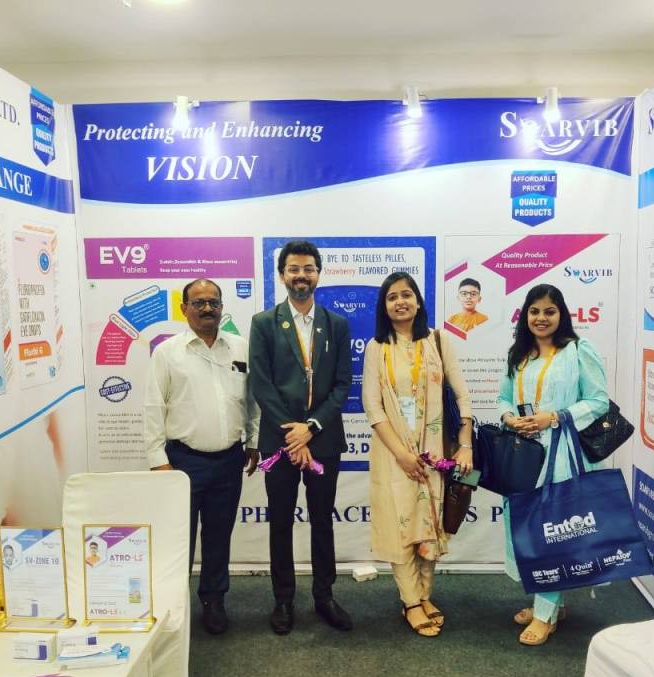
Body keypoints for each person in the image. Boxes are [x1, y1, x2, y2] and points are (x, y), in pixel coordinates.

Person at [144, 278, 261, 635]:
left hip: (229, 459)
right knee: (179, 539)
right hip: (182, 462)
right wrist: (158, 461)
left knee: (218, 536)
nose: (207, 308)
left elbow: (251, 400)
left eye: (214, 302)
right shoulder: (167, 353)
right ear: (184, 309)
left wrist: (253, 441)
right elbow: (153, 406)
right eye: (199, 303)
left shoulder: (240, 348)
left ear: (222, 307)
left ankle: (213, 600)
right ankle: (172, 604)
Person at [249, 240, 353, 635]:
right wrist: (293, 434)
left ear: (318, 274)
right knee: (280, 522)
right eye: (294, 269)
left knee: (322, 521)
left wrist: (310, 428)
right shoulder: (264, 323)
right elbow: (261, 385)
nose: (301, 276)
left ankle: (324, 596)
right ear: (282, 276)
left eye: (308, 269)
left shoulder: (336, 324)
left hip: (323, 441)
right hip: (279, 443)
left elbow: (342, 385)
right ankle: (283, 599)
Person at [496, 284, 609, 646]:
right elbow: (502, 398)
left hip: (561, 454)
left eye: (549, 311)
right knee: (528, 530)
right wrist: (509, 418)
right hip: (523, 456)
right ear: (525, 315)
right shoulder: (519, 355)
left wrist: (555, 417)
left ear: (561, 314)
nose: (541, 318)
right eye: (534, 311)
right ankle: (550, 604)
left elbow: (599, 401)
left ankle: (544, 614)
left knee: (552, 531)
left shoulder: (578, 350)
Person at [362, 272, 473, 637]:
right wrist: (401, 454)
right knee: (402, 526)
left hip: (435, 451)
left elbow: (462, 394)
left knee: (429, 524)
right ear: (384, 307)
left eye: (406, 294)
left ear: (418, 301)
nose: (400, 302)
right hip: (393, 453)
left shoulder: (438, 341)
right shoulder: (377, 348)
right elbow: (373, 406)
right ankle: (410, 601)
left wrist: (465, 443)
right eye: (392, 297)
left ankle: (424, 595)